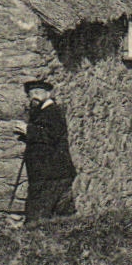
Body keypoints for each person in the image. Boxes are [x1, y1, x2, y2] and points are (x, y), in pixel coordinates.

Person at [15, 79, 76, 223]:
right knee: (61, 217)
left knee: (38, 217)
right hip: (52, 174)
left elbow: (50, 135)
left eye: (38, 93)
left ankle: (35, 241)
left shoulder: (52, 112)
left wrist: (27, 130)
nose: (34, 97)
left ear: (48, 94)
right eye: (30, 94)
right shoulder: (41, 112)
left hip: (50, 175)